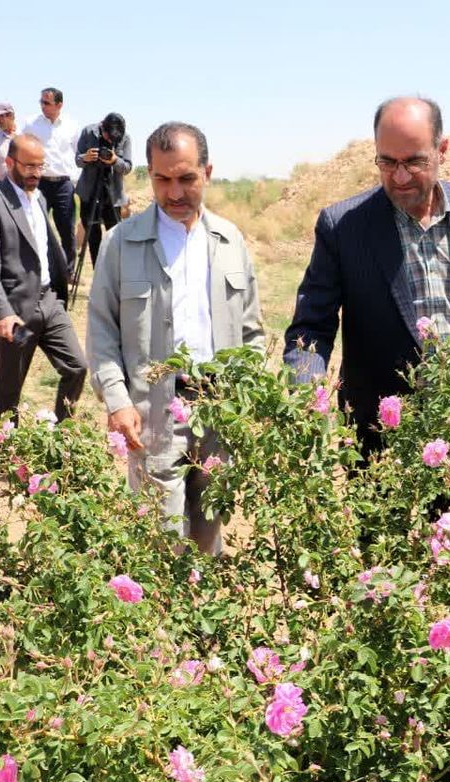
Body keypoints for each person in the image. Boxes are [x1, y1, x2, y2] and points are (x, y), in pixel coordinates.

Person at [283, 96, 450, 455]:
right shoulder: (344, 226)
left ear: (442, 150)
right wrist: (306, 397)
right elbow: (311, 329)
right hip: (385, 440)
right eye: (387, 162)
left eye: (414, 162)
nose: (399, 177)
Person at [87, 121, 265, 555]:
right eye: (162, 179)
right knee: (158, 539)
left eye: (186, 178)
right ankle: (163, 621)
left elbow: (252, 331)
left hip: (218, 409)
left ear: (207, 172)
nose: (174, 193)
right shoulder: (121, 243)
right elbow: (101, 332)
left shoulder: (229, 241)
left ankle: (202, 618)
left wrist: (247, 396)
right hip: (152, 413)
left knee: (209, 528)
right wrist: (117, 401)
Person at [0, 134, 86, 423]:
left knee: (77, 366)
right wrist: (2, 312)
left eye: (40, 166)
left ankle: (61, 433)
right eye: (29, 166)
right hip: (17, 312)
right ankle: (10, 450)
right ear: (10, 162)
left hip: (49, 302)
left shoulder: (39, 197)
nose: (36, 173)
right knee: (11, 386)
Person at [22, 88, 80, 271]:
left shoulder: (72, 125)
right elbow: (22, 146)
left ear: (59, 105)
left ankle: (68, 270)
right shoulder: (31, 124)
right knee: (36, 225)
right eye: (41, 102)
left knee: (66, 228)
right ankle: (38, 267)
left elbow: (79, 154)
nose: (42, 106)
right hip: (40, 183)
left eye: (46, 102)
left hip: (64, 184)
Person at [75, 112, 132, 268]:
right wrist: (85, 158)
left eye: (113, 140)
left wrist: (115, 161)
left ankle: (115, 275)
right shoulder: (88, 132)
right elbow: (77, 160)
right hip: (89, 193)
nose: (109, 141)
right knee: (93, 238)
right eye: (108, 137)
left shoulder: (125, 138)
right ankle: (98, 274)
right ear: (102, 127)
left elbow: (127, 167)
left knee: (115, 238)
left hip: (113, 196)